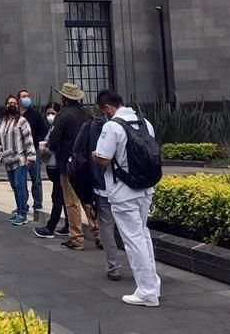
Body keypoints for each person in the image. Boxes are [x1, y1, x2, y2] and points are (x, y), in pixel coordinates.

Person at [93, 90, 161, 307]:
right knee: (143, 235)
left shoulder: (112, 126)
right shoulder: (145, 123)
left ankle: (147, 292)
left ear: (107, 109)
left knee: (133, 241)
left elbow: (104, 159)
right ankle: (153, 284)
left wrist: (95, 155)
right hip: (145, 189)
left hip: (123, 191)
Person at [73, 107, 123, 281]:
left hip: (102, 185)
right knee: (133, 228)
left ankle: (113, 267)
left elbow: (77, 151)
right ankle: (142, 266)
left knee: (106, 226)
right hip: (127, 186)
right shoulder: (131, 125)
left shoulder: (91, 125)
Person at [46, 83, 89, 250]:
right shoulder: (87, 113)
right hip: (85, 164)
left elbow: (54, 141)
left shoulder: (62, 115)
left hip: (68, 164)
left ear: (64, 98)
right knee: (88, 199)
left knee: (71, 202)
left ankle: (77, 238)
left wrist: (51, 148)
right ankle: (98, 233)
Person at [0, 94, 37, 224]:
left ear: (17, 106)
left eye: (14, 103)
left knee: (20, 186)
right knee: (14, 186)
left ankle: (23, 214)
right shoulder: (1, 122)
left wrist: (31, 156)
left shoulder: (22, 121)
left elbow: (28, 139)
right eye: (9, 103)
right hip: (7, 160)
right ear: (6, 105)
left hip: (20, 159)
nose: (11, 105)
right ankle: (18, 210)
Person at [35, 103, 71, 239]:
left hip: (57, 165)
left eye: (53, 113)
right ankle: (67, 224)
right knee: (61, 196)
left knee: (57, 197)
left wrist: (47, 149)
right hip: (52, 165)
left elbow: (54, 144)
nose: (50, 116)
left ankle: (51, 226)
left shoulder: (59, 127)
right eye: (48, 113)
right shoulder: (52, 127)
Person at [20, 89, 48, 212]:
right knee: (21, 180)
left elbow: (43, 131)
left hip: (33, 149)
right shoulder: (16, 115)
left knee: (36, 178)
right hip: (19, 151)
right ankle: (23, 204)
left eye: (27, 96)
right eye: (23, 96)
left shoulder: (35, 114)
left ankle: (37, 204)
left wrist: (39, 143)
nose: (26, 98)